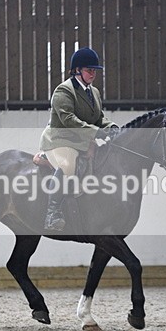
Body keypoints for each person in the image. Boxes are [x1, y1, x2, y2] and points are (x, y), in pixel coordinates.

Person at [39, 47, 118, 231]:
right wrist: (96, 133)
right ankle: (52, 212)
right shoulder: (64, 91)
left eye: (95, 70)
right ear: (77, 70)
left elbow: (98, 118)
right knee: (68, 166)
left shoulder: (94, 92)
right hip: (60, 139)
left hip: (81, 140)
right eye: (89, 70)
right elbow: (68, 120)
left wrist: (111, 127)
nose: (93, 74)